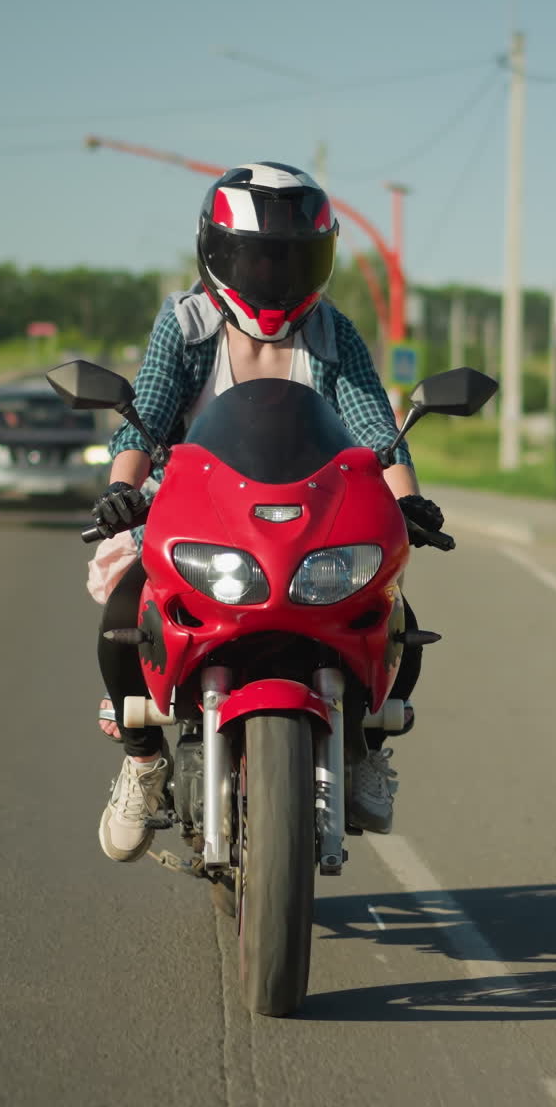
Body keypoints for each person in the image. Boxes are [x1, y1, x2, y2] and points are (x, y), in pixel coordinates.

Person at [91, 161, 444, 864]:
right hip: (197, 513)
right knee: (124, 613)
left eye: (290, 259)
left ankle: (368, 745)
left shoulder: (333, 333)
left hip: (308, 514)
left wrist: (407, 501)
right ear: (218, 253)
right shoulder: (186, 322)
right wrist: (123, 489)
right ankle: (141, 757)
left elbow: (376, 429)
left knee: (393, 617)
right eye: (256, 256)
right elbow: (146, 422)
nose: (271, 274)